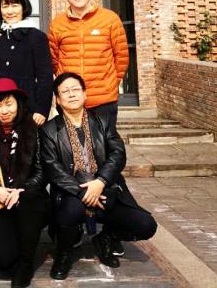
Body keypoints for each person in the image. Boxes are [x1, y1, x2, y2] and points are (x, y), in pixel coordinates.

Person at [40, 72, 157, 280]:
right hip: (72, 193)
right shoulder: (49, 130)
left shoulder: (102, 120)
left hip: (106, 189)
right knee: (70, 213)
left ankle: (107, 238)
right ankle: (64, 254)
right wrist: (83, 192)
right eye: (65, 91)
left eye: (76, 89)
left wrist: (101, 182)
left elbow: (118, 153)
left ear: (85, 94)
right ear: (57, 99)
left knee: (146, 225)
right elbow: (52, 168)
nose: (72, 94)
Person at [0, 78, 48, 288]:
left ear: (18, 104)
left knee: (29, 204)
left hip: (29, 199)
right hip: (1, 203)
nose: (4, 110)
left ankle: (26, 265)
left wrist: (22, 190)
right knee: (0, 261)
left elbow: (41, 171)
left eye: (9, 104)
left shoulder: (32, 128)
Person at [47, 0, 129, 130]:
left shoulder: (110, 19)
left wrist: (110, 84)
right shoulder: (57, 24)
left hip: (103, 101)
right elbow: (54, 60)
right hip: (70, 101)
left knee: (104, 144)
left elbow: (121, 57)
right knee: (71, 145)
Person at [0, 0, 53, 131]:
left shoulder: (36, 37)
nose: (10, 11)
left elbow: (45, 76)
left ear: (24, 8)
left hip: (25, 104)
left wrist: (42, 109)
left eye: (15, 5)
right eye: (5, 6)